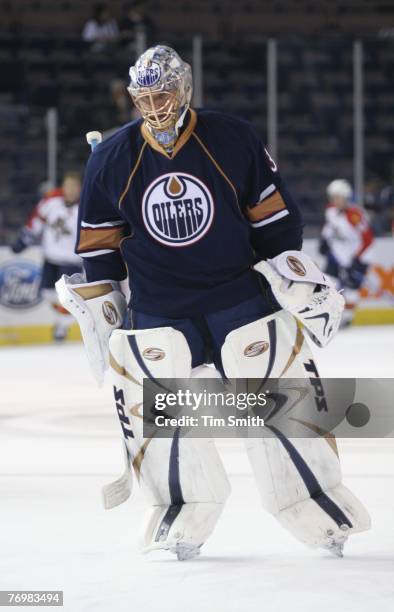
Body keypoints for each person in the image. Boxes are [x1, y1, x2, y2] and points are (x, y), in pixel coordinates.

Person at [57, 46, 370, 560]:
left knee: (278, 387)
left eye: (163, 94)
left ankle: (313, 499)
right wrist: (105, 314)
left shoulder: (231, 136)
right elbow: (100, 247)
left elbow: (274, 222)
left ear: (184, 90)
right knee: (157, 408)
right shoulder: (110, 159)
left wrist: (292, 278)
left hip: (238, 297)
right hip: (159, 309)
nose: (155, 107)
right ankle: (181, 507)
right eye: (145, 98)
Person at [12, 172, 83, 340]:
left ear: (79, 189)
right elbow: (37, 220)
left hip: (72, 261)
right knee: (47, 293)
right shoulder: (51, 202)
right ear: (63, 187)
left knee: (68, 297)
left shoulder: (86, 207)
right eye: (68, 186)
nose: (71, 190)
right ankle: (63, 321)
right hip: (51, 258)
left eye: (74, 187)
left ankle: (62, 327)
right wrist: (24, 239)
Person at [320, 179, 374, 326]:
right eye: (333, 197)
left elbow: (368, 239)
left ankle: (347, 319)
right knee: (329, 283)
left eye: (338, 197)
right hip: (339, 257)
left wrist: (356, 259)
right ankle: (329, 317)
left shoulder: (355, 215)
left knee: (352, 289)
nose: (335, 200)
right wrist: (324, 241)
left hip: (360, 257)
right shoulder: (330, 211)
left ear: (346, 197)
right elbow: (330, 228)